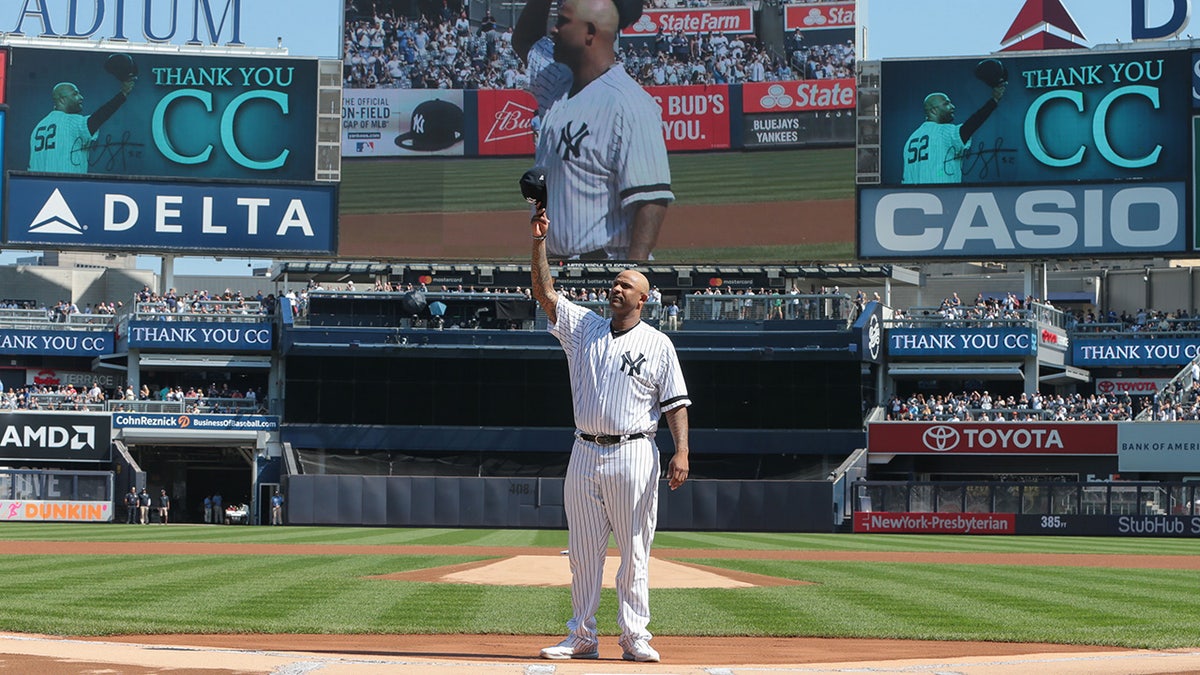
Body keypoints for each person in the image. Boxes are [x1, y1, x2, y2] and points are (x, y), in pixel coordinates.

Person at [529, 206, 691, 662]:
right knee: (582, 553)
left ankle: (635, 635)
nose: (616, 288)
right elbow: (544, 293)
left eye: (627, 285)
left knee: (635, 550)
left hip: (635, 450)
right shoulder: (585, 328)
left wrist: (681, 452)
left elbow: (675, 402)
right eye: (615, 282)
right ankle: (581, 635)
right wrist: (539, 240)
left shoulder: (659, 343)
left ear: (643, 300)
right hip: (584, 449)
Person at [514, 0, 673, 260]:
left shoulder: (629, 103)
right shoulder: (558, 84)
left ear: (590, 32)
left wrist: (631, 280)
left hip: (603, 271)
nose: (553, 30)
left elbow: (651, 201)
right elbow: (526, 40)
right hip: (556, 270)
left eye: (563, 22)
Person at [901, 82, 1005, 184]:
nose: (952, 106)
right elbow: (971, 125)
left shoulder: (910, 140)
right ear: (933, 111)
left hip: (915, 198)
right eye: (946, 103)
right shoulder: (943, 132)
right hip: (942, 197)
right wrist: (993, 101)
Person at [29, 76, 137, 174]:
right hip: (66, 186)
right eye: (75, 94)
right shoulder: (70, 122)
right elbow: (98, 118)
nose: (81, 97)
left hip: (39, 187)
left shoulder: (38, 128)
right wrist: (123, 94)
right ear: (62, 100)